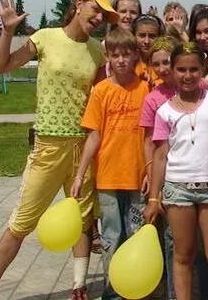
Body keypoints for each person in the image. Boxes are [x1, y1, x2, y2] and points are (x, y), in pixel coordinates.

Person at [0, 0, 118, 300]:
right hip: (48, 146)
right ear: (77, 5)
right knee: (22, 220)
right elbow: (1, 65)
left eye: (104, 14)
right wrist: (8, 32)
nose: (99, 17)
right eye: (95, 9)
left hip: (84, 146)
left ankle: (78, 287)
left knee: (83, 218)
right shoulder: (46, 37)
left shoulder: (97, 51)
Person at [144, 42, 208, 300]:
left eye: (193, 69)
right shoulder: (164, 110)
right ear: (172, 70)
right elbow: (160, 156)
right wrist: (154, 198)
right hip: (178, 189)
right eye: (181, 69)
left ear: (202, 69)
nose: (187, 75)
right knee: (182, 255)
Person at [71, 28, 148, 300]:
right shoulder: (100, 91)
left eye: (127, 54)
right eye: (115, 55)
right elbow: (94, 135)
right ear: (108, 57)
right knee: (111, 236)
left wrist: (150, 168)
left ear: (136, 55)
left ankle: (137, 289)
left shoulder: (145, 88)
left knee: (136, 234)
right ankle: (113, 290)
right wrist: (80, 174)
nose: (121, 60)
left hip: (139, 177)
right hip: (108, 178)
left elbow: (151, 135)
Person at [132, 14, 165, 87]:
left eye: (152, 36)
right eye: (142, 35)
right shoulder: (128, 63)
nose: (146, 41)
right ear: (134, 36)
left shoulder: (167, 63)